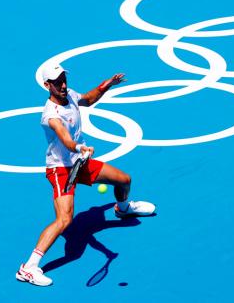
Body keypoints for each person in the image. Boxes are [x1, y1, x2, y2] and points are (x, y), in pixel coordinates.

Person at [16, 64, 155, 286]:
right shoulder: (51, 116)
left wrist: (106, 85)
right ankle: (29, 268)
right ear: (46, 85)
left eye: (63, 79)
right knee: (64, 219)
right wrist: (80, 148)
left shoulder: (68, 94)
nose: (62, 84)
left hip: (79, 163)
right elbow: (66, 140)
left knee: (124, 180)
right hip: (61, 169)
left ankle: (123, 208)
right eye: (57, 81)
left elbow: (88, 99)